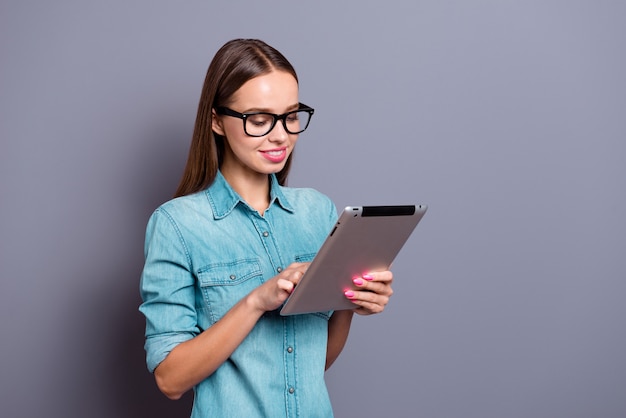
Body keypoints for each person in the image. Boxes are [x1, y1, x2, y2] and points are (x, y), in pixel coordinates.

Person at [139, 38, 394, 417]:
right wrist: (257, 301)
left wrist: (351, 302)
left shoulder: (317, 212)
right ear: (216, 121)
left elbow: (313, 365)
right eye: (259, 120)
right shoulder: (177, 225)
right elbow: (170, 380)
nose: (280, 135)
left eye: (291, 116)